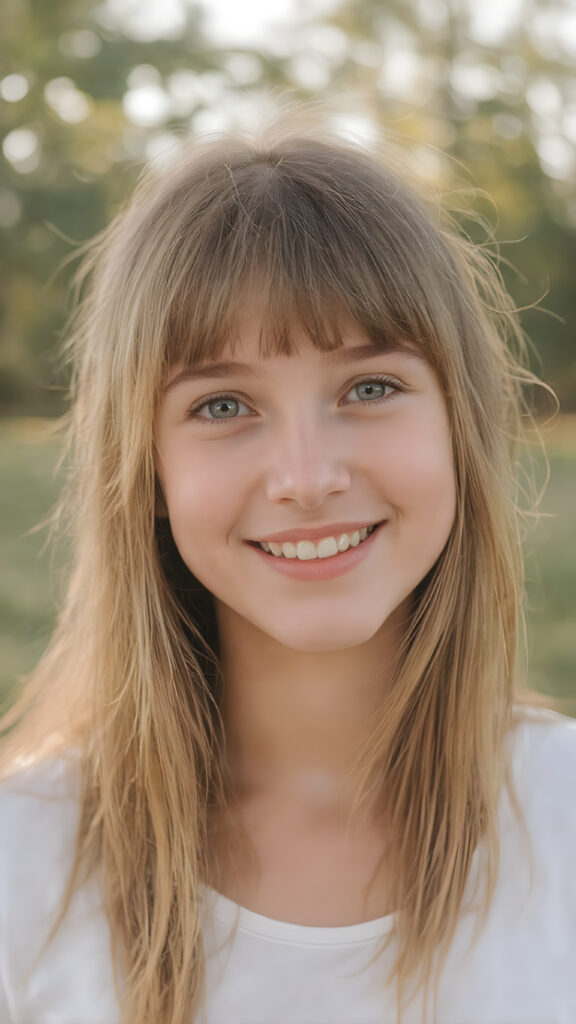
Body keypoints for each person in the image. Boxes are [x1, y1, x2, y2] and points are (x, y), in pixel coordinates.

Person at [0, 116, 574, 1024]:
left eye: (370, 388)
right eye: (223, 405)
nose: (306, 478)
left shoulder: (560, 813)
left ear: (460, 423)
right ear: (146, 470)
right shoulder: (23, 860)